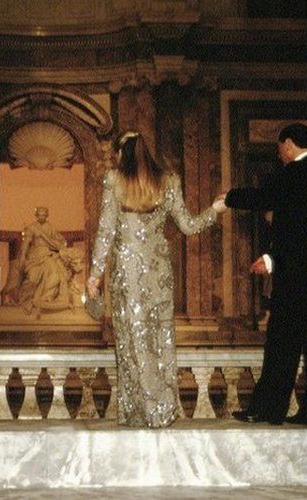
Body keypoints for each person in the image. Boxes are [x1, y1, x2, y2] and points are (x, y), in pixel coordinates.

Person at [87, 131, 225, 428]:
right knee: (160, 338)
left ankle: (136, 411)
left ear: (120, 154)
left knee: (131, 340)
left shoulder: (114, 180)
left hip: (127, 273)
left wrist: (95, 275)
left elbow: (106, 231)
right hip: (159, 273)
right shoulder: (169, 181)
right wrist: (214, 210)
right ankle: (160, 410)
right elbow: (189, 225)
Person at [221, 123, 307, 426]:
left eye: (279, 148)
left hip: (297, 282)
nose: (279, 155)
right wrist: (273, 259)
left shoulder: (293, 174)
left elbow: (264, 198)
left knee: (281, 347)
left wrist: (229, 198)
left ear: (289, 143)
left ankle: (267, 408)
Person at [2, 207, 74, 315]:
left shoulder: (50, 227)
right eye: (40, 215)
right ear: (36, 216)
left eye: (44, 215)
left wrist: (54, 243)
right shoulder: (32, 228)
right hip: (34, 257)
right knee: (32, 278)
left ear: (47, 215)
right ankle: (26, 302)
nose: (42, 217)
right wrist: (23, 257)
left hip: (48, 255)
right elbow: (26, 244)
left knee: (56, 275)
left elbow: (61, 241)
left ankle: (45, 299)